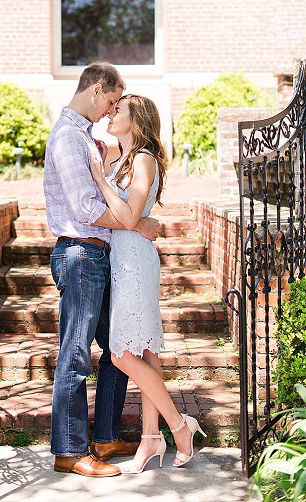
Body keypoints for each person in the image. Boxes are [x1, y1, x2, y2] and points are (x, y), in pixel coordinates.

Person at [44, 62, 160, 477]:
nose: (111, 110)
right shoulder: (67, 139)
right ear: (96, 90)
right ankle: (70, 451)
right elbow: (85, 208)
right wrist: (137, 223)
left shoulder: (85, 138)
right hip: (79, 255)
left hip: (99, 257)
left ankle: (107, 436)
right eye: (111, 101)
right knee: (75, 355)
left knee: (118, 350)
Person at [88, 94, 206, 471]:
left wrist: (98, 178)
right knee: (146, 352)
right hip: (120, 258)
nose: (110, 112)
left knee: (122, 353)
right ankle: (151, 439)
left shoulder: (143, 159)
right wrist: (103, 164)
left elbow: (129, 214)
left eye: (117, 109)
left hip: (135, 261)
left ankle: (179, 426)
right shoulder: (120, 157)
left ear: (135, 120)